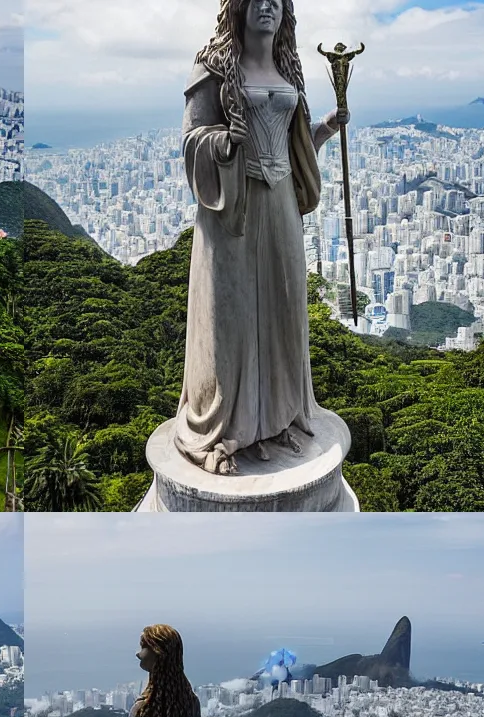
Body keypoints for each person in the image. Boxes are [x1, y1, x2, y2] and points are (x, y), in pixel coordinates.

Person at [174, 0, 347, 475]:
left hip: (281, 208)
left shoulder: (287, 66)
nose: (268, 5)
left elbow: (294, 146)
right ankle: (229, 428)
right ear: (241, 6)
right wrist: (225, 143)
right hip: (233, 207)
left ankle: (277, 418)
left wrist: (329, 127)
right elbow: (191, 139)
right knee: (231, 318)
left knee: (284, 310)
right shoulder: (213, 65)